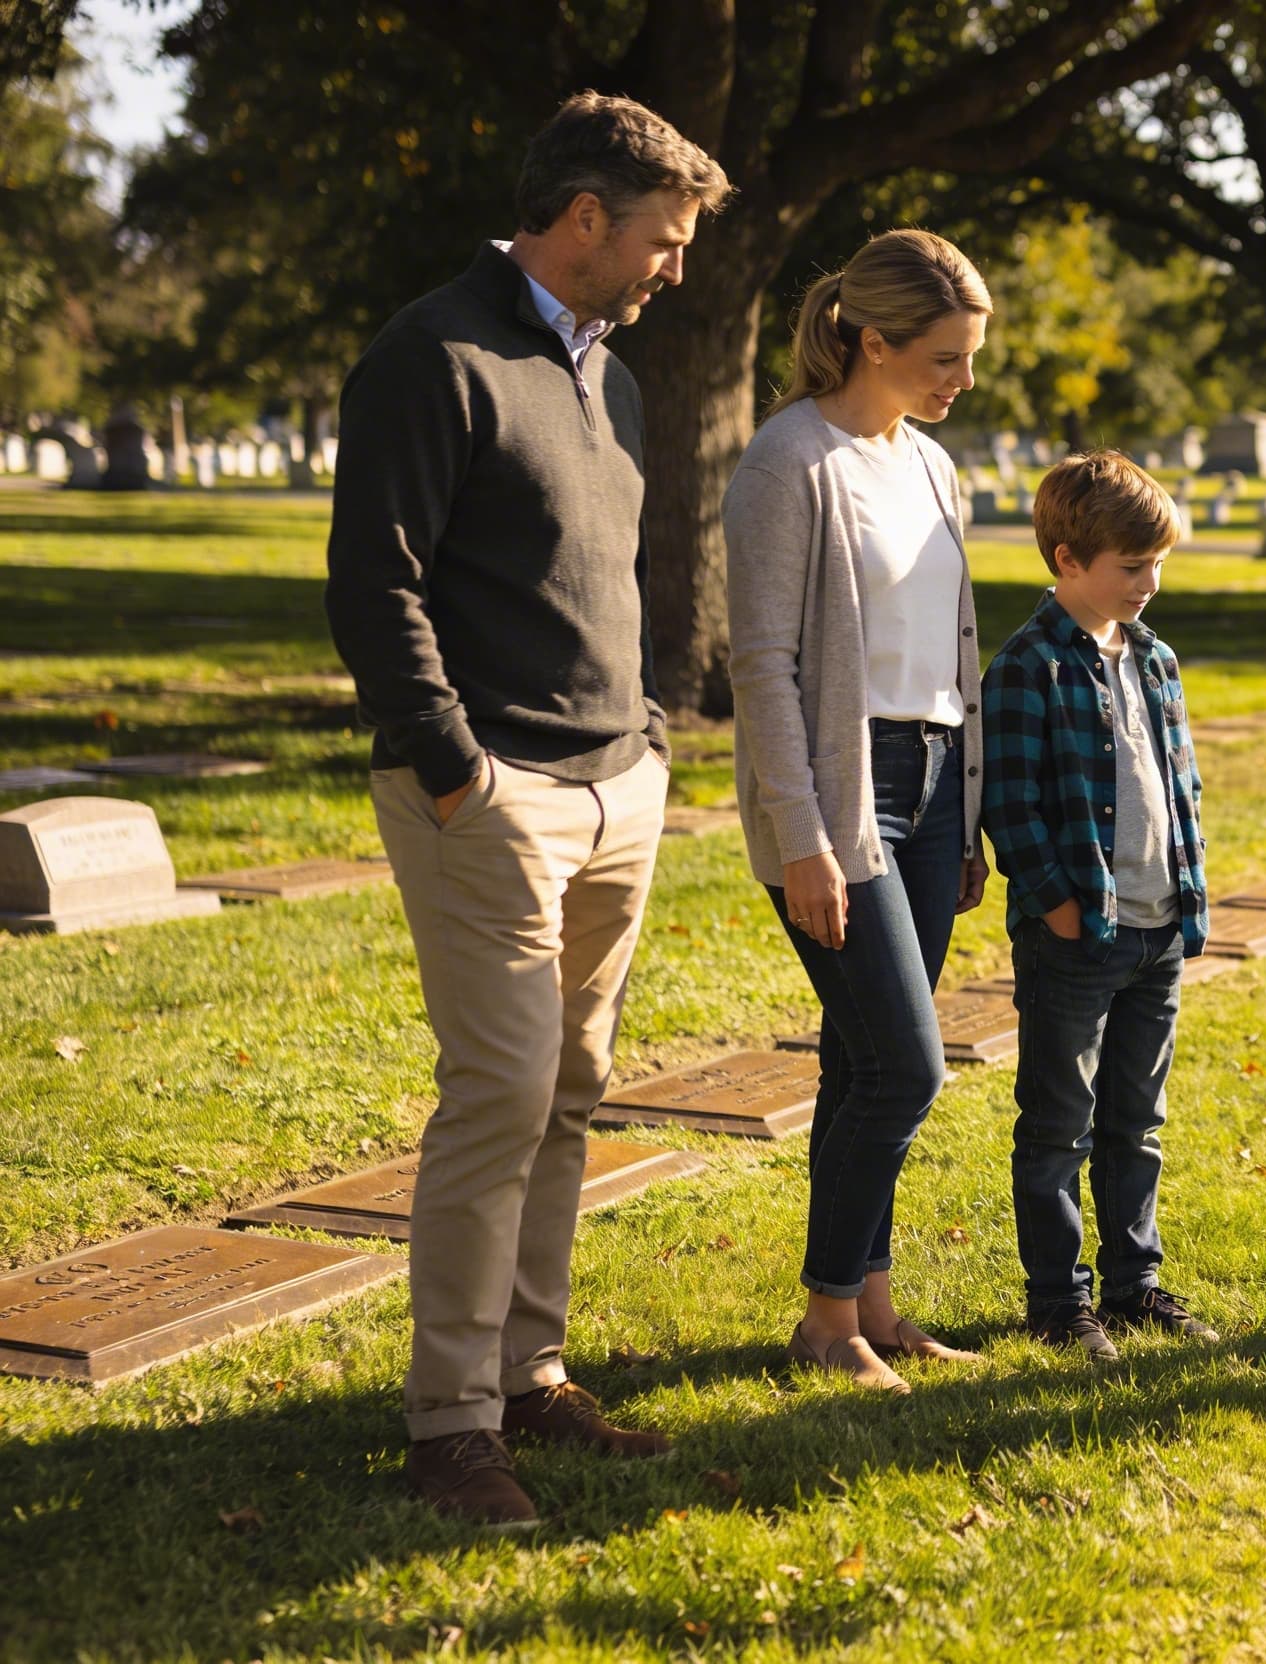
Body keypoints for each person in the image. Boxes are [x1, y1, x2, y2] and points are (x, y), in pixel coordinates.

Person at [325, 93, 731, 1525]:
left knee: (569, 1097)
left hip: (618, 784)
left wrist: (652, 745)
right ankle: (449, 1427)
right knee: (498, 1096)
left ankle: (527, 1377)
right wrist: (457, 769)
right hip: (487, 795)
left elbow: (609, 580)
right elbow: (375, 587)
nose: (674, 267)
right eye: (663, 241)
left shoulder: (612, 377)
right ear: (580, 222)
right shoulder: (433, 352)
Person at [722, 230, 991, 1393]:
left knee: (862, 1055)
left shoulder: (928, 464)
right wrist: (802, 837)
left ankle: (873, 1303)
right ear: (870, 341)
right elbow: (763, 667)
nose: (962, 382)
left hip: (933, 786)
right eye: (942, 357)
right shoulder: (790, 463)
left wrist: (966, 804)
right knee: (908, 1066)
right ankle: (828, 1319)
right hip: (845, 787)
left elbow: (947, 648)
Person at [981, 453, 1216, 1361]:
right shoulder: (1027, 667)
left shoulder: (1155, 659)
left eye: (1157, 564)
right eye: (1130, 567)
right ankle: (1058, 1299)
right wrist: (1061, 910)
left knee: (1136, 1121)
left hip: (1156, 930)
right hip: (1077, 939)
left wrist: (1187, 897)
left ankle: (1134, 1283)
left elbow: (1179, 785)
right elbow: (1013, 805)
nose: (1149, 584)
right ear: (1068, 558)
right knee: (1057, 1126)